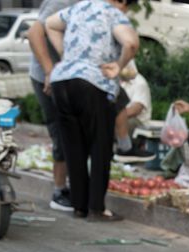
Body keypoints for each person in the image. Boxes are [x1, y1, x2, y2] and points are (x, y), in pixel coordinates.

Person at [46, 0, 140, 221]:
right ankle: (97, 208)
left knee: (73, 146)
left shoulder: (78, 7)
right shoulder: (112, 13)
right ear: (122, 2)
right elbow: (131, 43)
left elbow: (49, 24)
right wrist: (119, 64)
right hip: (93, 83)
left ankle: (79, 206)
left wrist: (66, 55)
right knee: (100, 146)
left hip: (62, 80)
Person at [27, 0, 79, 212]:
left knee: (77, 130)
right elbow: (34, 34)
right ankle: (59, 191)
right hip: (47, 76)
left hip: (71, 76)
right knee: (62, 129)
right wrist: (50, 71)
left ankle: (76, 186)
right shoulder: (62, 1)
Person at [114, 60, 155, 163]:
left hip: (137, 122)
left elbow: (136, 109)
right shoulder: (116, 81)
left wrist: (115, 116)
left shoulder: (139, 83)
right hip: (122, 117)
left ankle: (125, 149)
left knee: (119, 123)